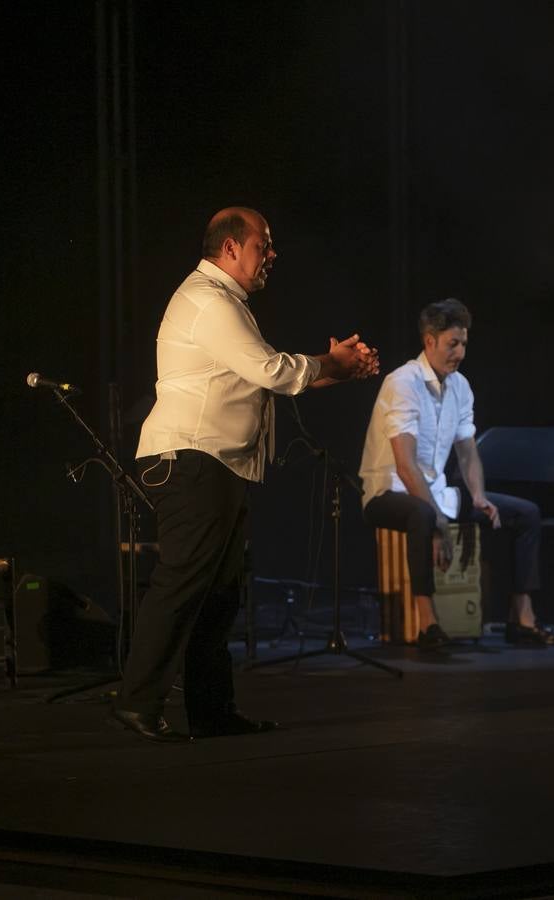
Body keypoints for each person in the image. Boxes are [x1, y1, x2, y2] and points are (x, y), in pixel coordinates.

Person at [112, 206, 380, 743]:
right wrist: (330, 364)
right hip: (191, 459)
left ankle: (211, 712)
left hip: (216, 463)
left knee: (218, 594)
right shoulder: (208, 300)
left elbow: (266, 376)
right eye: (264, 244)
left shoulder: (226, 302)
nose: (272, 255)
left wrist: (336, 368)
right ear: (231, 248)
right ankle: (137, 702)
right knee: (183, 584)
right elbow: (271, 370)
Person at [359, 298, 554, 649]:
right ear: (429, 341)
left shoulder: (460, 387)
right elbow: (406, 467)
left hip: (434, 493)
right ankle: (428, 624)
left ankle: (522, 618)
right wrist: (439, 522)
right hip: (387, 492)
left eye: (464, 343)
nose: (460, 352)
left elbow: (467, 451)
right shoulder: (403, 383)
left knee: (525, 513)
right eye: (453, 343)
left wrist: (480, 496)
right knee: (422, 514)